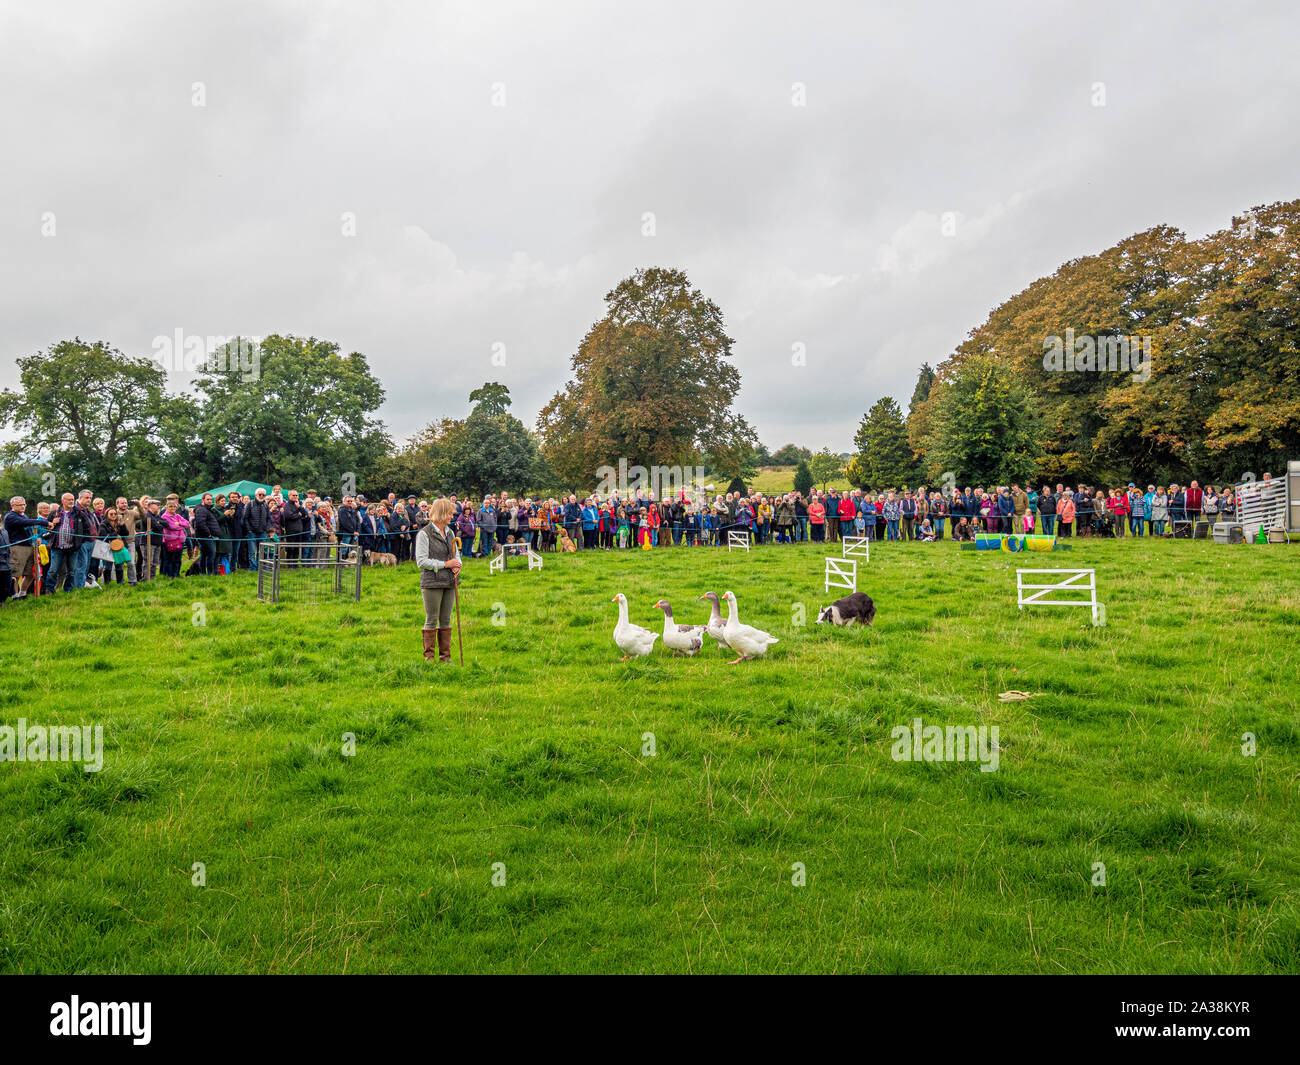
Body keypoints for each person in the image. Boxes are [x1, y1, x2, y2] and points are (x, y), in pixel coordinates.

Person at [415, 498, 462, 663]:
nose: (452, 516)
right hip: (431, 582)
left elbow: (456, 554)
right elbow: (421, 561)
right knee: (431, 619)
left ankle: (445, 658)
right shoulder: (424, 534)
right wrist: (445, 564)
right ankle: (429, 658)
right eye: (449, 513)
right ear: (442, 513)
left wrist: (457, 564)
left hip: (450, 581)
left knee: (446, 619)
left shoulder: (450, 532)